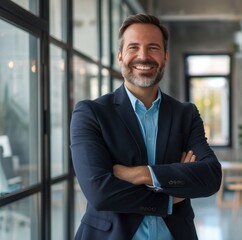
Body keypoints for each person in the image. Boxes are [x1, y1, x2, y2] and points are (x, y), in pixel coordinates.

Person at [70, 13, 222, 240]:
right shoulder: (91, 113)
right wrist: (169, 196)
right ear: (120, 56)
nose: (143, 56)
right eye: (133, 47)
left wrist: (139, 174)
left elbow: (210, 177)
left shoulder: (185, 114)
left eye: (153, 48)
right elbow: (99, 192)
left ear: (165, 56)